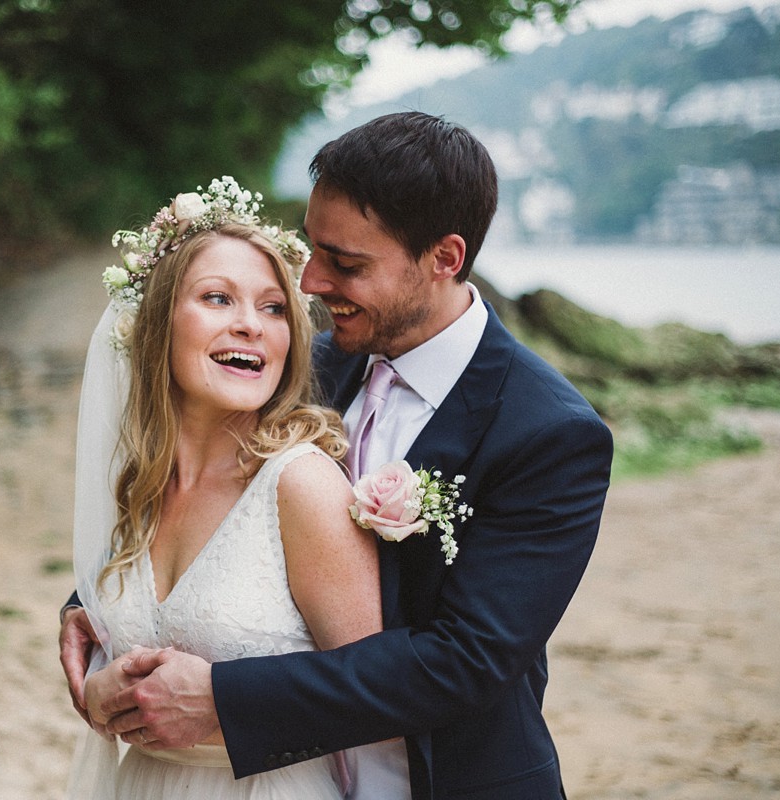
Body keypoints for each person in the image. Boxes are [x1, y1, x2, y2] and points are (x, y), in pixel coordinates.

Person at [62, 113, 615, 799]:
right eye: (314, 250)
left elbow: (466, 662)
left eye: (346, 264)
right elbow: (198, 499)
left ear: (445, 258)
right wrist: (97, 606)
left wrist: (223, 699)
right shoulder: (301, 366)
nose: (313, 283)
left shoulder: (548, 433)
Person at [63, 177, 383, 799]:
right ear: (158, 323)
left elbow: (373, 692)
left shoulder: (301, 484)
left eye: (272, 308)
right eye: (218, 299)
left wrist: (224, 709)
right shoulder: (141, 488)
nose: (251, 326)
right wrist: (100, 691)